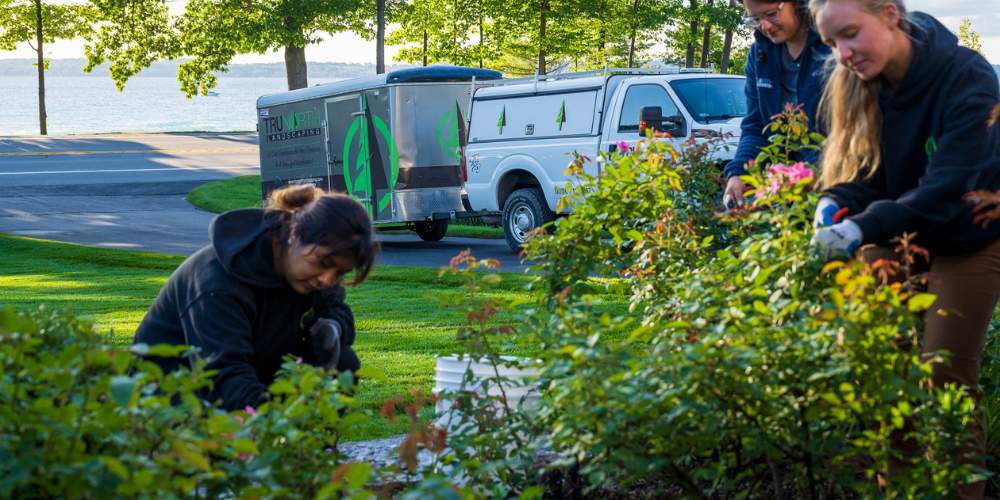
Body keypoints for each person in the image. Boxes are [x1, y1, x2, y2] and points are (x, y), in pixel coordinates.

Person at [809, 0, 1000, 496]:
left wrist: (859, 229)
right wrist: (832, 204)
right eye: (832, 43)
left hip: (968, 236)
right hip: (897, 234)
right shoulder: (863, 86)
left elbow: (949, 185)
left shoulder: (967, 76)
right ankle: (899, 488)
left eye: (851, 34)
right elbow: (867, 179)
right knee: (881, 371)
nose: (843, 53)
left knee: (945, 376)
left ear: (890, 14)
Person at [134, 184, 379, 411]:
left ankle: (313, 450)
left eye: (340, 273)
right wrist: (278, 431)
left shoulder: (310, 276)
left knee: (343, 362)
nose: (326, 280)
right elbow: (224, 376)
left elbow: (338, 312)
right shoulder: (218, 283)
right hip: (173, 395)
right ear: (294, 233)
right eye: (324, 262)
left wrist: (331, 328)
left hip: (250, 371)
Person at [723, 0, 832, 208]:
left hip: (834, 184)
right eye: (755, 19)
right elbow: (756, 125)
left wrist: (811, 175)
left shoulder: (831, 45)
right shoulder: (759, 55)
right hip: (788, 191)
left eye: (771, 14)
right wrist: (739, 172)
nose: (766, 26)